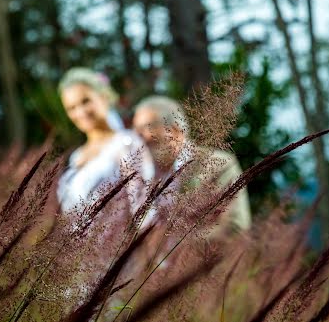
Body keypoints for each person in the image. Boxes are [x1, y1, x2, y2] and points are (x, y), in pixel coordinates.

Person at [132, 95, 251, 243]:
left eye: (146, 127)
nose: (139, 136)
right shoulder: (142, 175)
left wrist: (174, 247)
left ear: (174, 131)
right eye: (136, 130)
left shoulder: (218, 164)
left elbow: (235, 226)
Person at [57, 67, 153, 214]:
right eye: (72, 108)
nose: (80, 112)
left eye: (85, 101)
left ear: (103, 96)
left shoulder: (127, 143)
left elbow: (144, 206)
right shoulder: (76, 156)